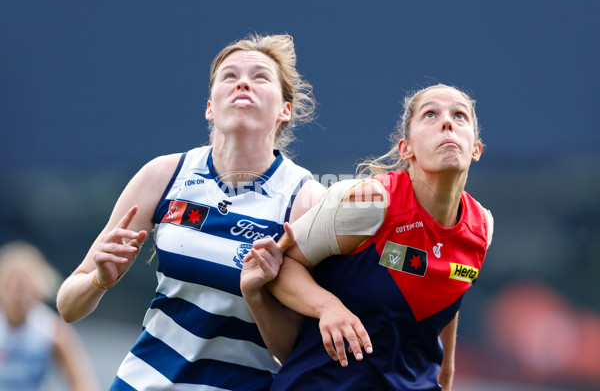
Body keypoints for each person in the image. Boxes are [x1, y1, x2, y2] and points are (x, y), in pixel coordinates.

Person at [56, 33, 325, 391]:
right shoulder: (164, 174)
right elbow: (68, 308)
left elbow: (298, 352)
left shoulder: (305, 201)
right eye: (229, 76)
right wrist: (98, 280)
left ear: (284, 111)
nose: (243, 82)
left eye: (260, 76)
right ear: (210, 107)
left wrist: (258, 295)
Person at [249, 84, 494, 390]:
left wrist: (446, 375)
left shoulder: (482, 225)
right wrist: (327, 307)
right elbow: (279, 265)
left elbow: (445, 286)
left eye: (460, 116)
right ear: (407, 148)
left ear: (476, 149)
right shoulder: (370, 200)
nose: (447, 123)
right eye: (430, 114)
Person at [0, 241, 100, 391]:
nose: (17, 298)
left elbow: (82, 383)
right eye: (12, 287)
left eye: (23, 289)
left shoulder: (51, 329)